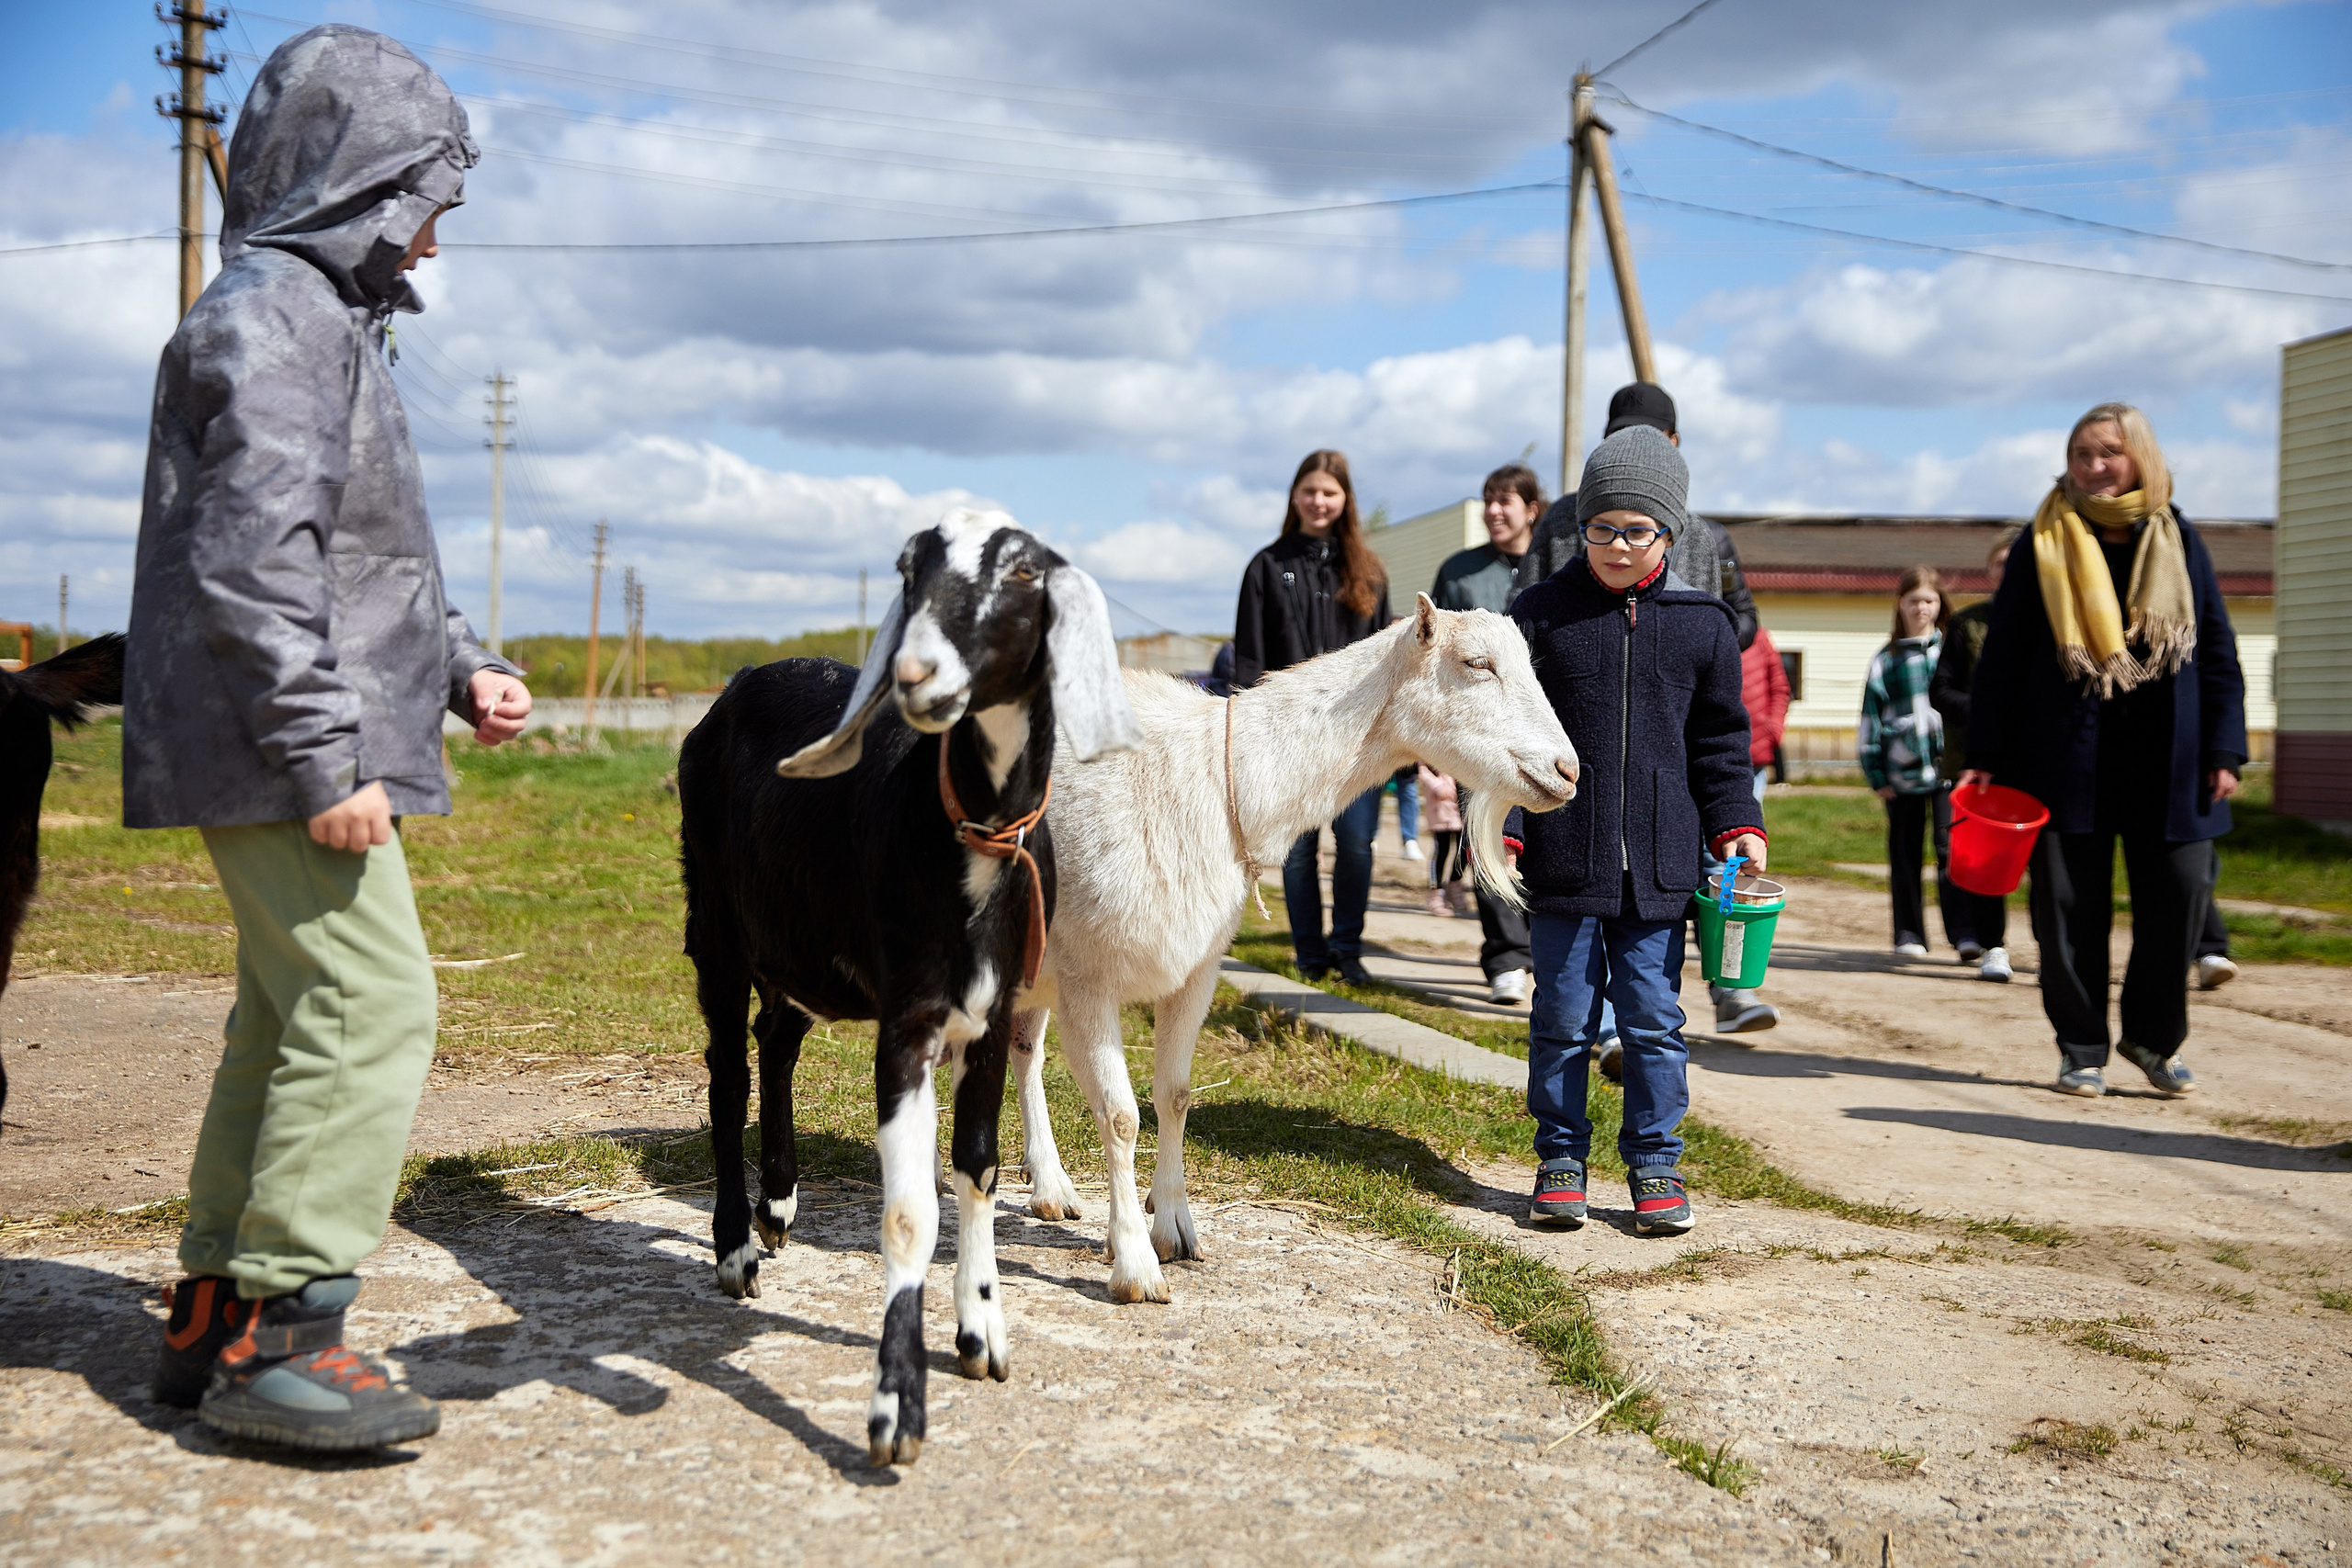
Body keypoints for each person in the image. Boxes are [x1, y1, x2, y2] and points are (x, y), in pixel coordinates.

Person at [120, 26, 530, 1452]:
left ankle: (216, 1303)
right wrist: (324, 754)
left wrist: (463, 666)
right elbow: (250, 557)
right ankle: (288, 1330)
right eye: (427, 200)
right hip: (281, 747)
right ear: (364, 182)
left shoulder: (322, 323)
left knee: (289, 1015)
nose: (432, 235)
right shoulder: (275, 320)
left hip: (287, 736)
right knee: (372, 1006)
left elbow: (367, 563)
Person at [1506, 426, 1764, 1236]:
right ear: (1580, 526)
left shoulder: (1703, 625)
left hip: (1657, 872)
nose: (1617, 544)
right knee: (1562, 1017)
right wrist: (1511, 825)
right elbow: (1508, 733)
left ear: (1670, 532)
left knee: (1653, 1021)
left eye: (1636, 529)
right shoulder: (1540, 616)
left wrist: (1737, 823)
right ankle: (1559, 1158)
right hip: (1561, 860)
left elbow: (1721, 745)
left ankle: (1656, 1162)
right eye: (1600, 527)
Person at [1962, 403, 2246, 1099]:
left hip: (2168, 762)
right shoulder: (2043, 539)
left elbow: (2215, 649)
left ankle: (2153, 1038)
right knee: (2066, 909)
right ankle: (2081, 1046)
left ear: (2139, 457)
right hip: (2064, 761)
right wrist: (1985, 753)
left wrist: (2225, 750)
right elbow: (2003, 656)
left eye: (2109, 453)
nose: (2093, 467)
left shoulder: (2178, 536)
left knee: (2179, 897)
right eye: (2082, 454)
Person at [1234, 449, 1392, 984]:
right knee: (1297, 854)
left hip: (1359, 739)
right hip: (1288, 740)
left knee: (1355, 844)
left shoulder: (1369, 572)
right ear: (1294, 496)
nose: (1318, 501)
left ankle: (1348, 949)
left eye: (1329, 492)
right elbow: (1250, 658)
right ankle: (1309, 954)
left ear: (1345, 499)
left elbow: (1391, 660)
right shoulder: (1266, 566)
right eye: (1310, 490)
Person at [1430, 462, 1546, 1002]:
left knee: (1545, 838)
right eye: (1488, 499)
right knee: (1488, 833)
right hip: (1478, 730)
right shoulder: (1460, 572)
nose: (1495, 510)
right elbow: (1431, 653)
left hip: (1544, 726)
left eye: (1506, 500)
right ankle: (1505, 956)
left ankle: (1547, 951)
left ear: (1532, 510)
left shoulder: (1555, 569)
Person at [1530, 383, 1759, 651]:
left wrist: (1701, 649)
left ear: (1673, 441)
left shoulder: (1700, 534)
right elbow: (1523, 607)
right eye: (1621, 434)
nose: (1634, 444)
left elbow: (1738, 617)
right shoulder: (1560, 519)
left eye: (1651, 435)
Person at [1931, 528, 2022, 982]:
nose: (2008, 571)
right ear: (1990, 570)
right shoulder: (1969, 624)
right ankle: (1993, 944)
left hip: (2039, 762)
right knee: (1988, 859)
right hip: (1978, 762)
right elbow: (1940, 691)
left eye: (2017, 561)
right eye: (2000, 562)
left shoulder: (2056, 622)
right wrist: (1990, 712)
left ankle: (2055, 949)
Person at [1860, 567, 1954, 958]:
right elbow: (1869, 720)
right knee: (1905, 853)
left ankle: (1963, 933)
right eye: (1914, 600)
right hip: (1901, 774)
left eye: (1929, 601)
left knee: (1952, 850)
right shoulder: (1887, 660)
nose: (1921, 609)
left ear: (1940, 606)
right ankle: (1909, 933)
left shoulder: (1949, 652)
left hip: (1948, 772)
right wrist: (1876, 772)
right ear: (1900, 605)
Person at [1417, 764, 1466, 918]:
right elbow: (1422, 770)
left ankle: (1455, 884)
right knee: (1442, 851)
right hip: (1440, 813)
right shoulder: (1428, 761)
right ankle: (1435, 893)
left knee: (1463, 851)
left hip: (1460, 812)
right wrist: (1438, 785)